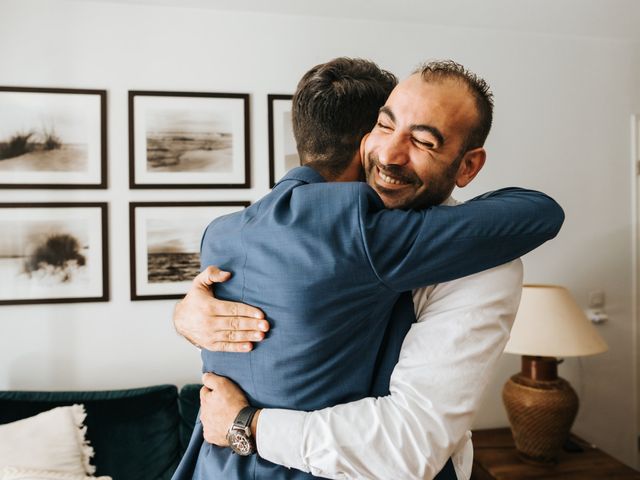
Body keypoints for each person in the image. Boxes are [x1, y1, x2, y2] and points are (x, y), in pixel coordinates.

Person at [172, 58, 564, 480]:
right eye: (384, 125)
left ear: (468, 166)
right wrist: (184, 314)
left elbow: (411, 444)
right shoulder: (337, 225)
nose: (390, 155)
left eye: (424, 142)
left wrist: (247, 424)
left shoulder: (483, 263)